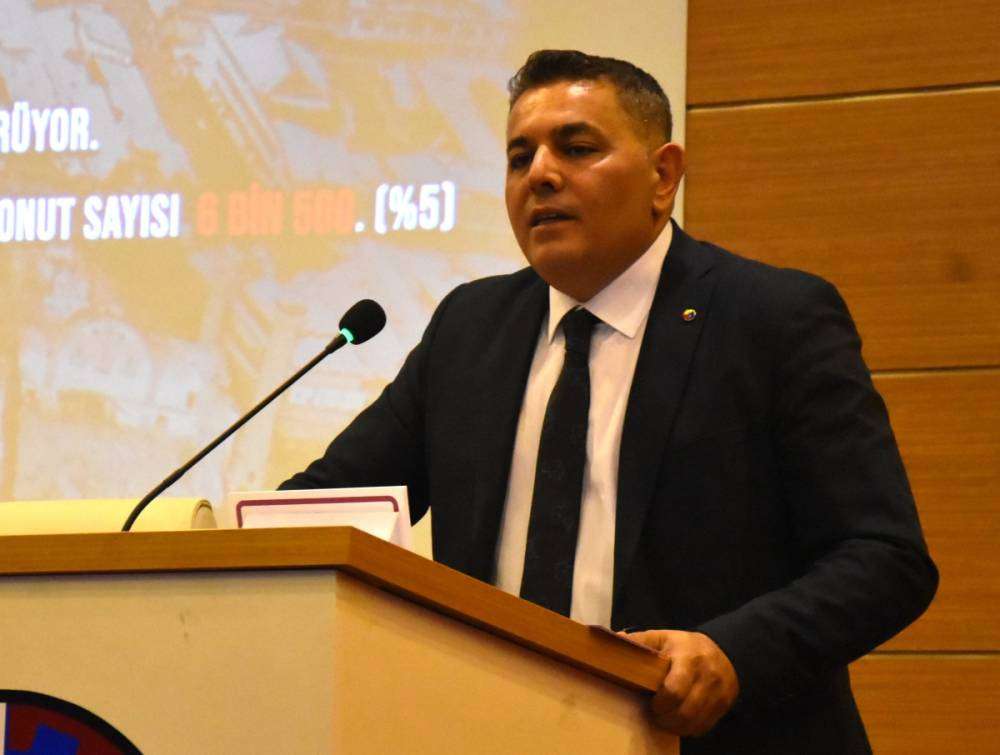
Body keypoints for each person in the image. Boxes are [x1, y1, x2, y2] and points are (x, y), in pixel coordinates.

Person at [281, 50, 937, 754]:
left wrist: (733, 652)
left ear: (663, 176)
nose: (540, 174)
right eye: (519, 157)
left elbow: (884, 557)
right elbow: (324, 509)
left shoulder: (771, 319)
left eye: (576, 148)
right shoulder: (471, 329)